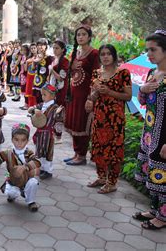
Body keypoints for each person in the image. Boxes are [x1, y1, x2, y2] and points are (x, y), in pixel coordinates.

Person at [86, 44, 131, 194]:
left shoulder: (123, 72)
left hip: (115, 119)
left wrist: (110, 91)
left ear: (114, 56)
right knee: (98, 146)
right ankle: (101, 177)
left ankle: (112, 182)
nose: (105, 57)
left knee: (113, 149)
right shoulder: (96, 73)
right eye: (102, 54)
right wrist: (93, 96)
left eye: (108, 54)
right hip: (99, 117)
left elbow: (128, 96)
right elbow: (92, 95)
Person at [133, 30, 166, 230]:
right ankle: (154, 210)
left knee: (163, 175)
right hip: (150, 132)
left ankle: (163, 217)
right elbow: (145, 102)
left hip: (163, 135)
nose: (149, 55)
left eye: (153, 50)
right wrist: (143, 90)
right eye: (147, 51)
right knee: (153, 172)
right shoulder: (152, 73)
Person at [64, 25, 100, 166]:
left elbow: (96, 76)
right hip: (73, 95)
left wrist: (91, 97)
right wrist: (71, 68)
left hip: (85, 95)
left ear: (89, 37)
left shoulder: (94, 54)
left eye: (84, 34)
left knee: (82, 123)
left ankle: (82, 155)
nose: (80, 37)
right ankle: (76, 153)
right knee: (74, 123)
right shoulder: (76, 53)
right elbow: (70, 75)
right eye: (78, 34)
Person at [0, 123, 41, 212]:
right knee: (11, 192)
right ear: (12, 139)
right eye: (16, 140)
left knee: (33, 182)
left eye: (23, 140)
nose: (19, 143)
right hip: (12, 179)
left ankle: (31, 201)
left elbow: (37, 162)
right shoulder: (8, 152)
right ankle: (12, 195)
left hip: (26, 179)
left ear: (27, 141)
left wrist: (25, 167)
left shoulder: (29, 152)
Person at [29, 84, 64, 180]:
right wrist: (34, 110)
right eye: (42, 95)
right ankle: (42, 168)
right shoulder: (41, 105)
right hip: (40, 133)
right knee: (40, 150)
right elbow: (31, 109)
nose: (43, 97)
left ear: (53, 96)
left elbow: (59, 122)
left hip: (48, 134)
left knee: (47, 152)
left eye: (45, 95)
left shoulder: (56, 108)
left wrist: (58, 135)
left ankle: (48, 171)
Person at [48, 39, 69, 107]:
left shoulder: (65, 61)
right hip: (52, 88)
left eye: (57, 48)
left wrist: (52, 70)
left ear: (62, 49)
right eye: (53, 48)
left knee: (59, 108)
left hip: (60, 89)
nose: (54, 50)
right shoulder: (54, 59)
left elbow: (61, 78)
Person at [33, 38, 53, 104]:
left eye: (42, 45)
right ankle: (37, 111)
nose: (40, 47)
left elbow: (51, 69)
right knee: (37, 96)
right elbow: (33, 68)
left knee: (45, 96)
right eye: (39, 45)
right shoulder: (36, 56)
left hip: (45, 79)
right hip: (37, 79)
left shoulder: (49, 57)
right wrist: (35, 61)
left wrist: (49, 78)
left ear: (46, 46)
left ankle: (43, 112)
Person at [19, 44, 31, 110]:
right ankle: (25, 103)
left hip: (26, 75)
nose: (22, 51)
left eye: (24, 50)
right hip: (22, 74)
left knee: (26, 90)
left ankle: (27, 104)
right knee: (23, 89)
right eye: (22, 50)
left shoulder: (28, 58)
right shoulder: (23, 57)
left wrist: (24, 63)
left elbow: (26, 69)